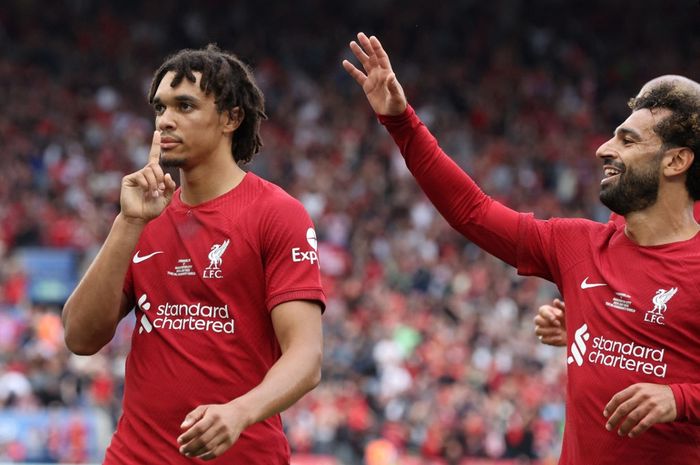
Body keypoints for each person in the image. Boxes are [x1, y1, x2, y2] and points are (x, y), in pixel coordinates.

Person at [343, 32, 700, 464]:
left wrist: (679, 399)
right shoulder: (578, 244)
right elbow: (471, 211)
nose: (603, 148)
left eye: (627, 140)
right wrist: (400, 121)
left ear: (676, 161)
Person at [62, 44, 325, 463]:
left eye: (185, 106)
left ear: (231, 118)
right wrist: (127, 224)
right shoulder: (142, 217)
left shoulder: (277, 214)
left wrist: (240, 413)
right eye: (160, 107)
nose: (165, 120)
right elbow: (79, 338)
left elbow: (306, 358)